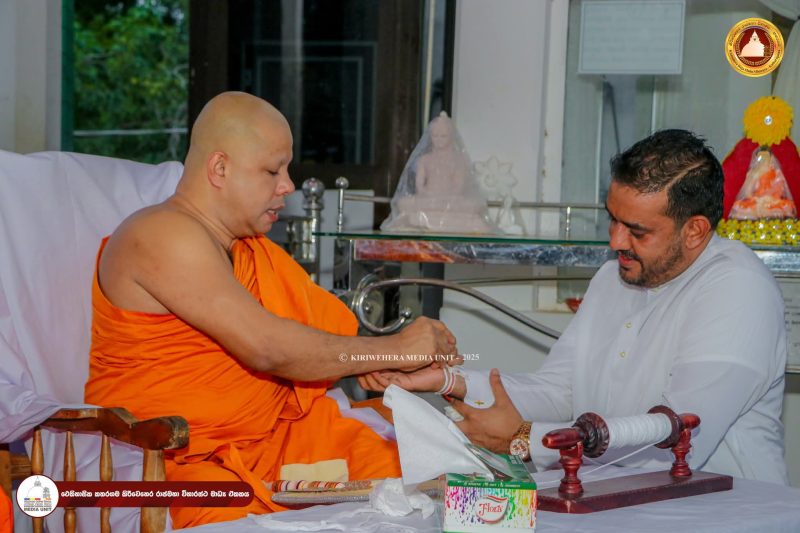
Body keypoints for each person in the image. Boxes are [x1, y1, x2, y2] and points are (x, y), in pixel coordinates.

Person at [84, 91, 458, 528]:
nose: (288, 186)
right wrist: (392, 349)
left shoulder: (246, 249)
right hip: (174, 461)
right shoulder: (161, 234)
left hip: (269, 441)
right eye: (272, 170)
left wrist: (370, 362)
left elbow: (298, 345)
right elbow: (268, 348)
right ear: (219, 168)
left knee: (418, 475)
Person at [362, 129, 789, 485]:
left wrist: (525, 439)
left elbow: (675, 443)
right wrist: (448, 381)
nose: (615, 241)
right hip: (617, 502)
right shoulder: (614, 277)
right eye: (613, 219)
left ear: (694, 231)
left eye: (637, 230)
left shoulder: (738, 288)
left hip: (727, 513)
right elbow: (561, 390)